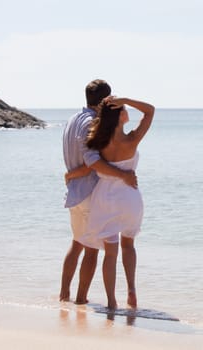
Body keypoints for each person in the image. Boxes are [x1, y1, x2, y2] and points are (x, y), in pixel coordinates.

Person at [65, 96, 154, 309]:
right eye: (124, 109)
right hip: (129, 197)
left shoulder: (99, 142)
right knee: (129, 245)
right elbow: (150, 111)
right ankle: (131, 290)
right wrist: (125, 99)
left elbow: (91, 165)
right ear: (121, 116)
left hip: (105, 198)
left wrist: (70, 175)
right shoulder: (132, 139)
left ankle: (111, 302)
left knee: (110, 254)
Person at [60, 80, 137, 304]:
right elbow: (92, 162)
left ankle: (64, 296)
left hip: (74, 193)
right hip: (88, 193)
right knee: (91, 250)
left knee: (76, 244)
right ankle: (80, 300)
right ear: (106, 100)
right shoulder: (92, 122)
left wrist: (70, 176)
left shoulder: (71, 120)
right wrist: (123, 175)